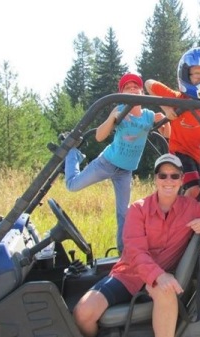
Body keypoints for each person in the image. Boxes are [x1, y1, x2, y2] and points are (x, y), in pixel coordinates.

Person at [73, 153, 200, 337]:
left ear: (181, 180)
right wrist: (158, 275)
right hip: (129, 275)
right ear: (155, 179)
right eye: (163, 175)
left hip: (163, 276)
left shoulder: (190, 207)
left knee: (166, 290)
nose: (168, 180)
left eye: (174, 176)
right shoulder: (138, 209)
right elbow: (135, 251)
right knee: (83, 313)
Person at [63, 73, 170, 253]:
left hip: (125, 172)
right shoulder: (120, 111)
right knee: (72, 186)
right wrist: (113, 117)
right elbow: (99, 136)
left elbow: (167, 134)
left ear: (142, 93)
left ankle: (123, 254)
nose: (133, 90)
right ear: (122, 94)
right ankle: (73, 154)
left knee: (124, 213)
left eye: (136, 87)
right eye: (128, 88)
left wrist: (164, 119)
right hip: (107, 162)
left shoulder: (148, 116)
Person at [145, 46, 200, 205]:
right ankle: (181, 225)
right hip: (179, 153)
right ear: (186, 75)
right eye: (197, 74)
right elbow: (148, 83)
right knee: (194, 190)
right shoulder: (177, 98)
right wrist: (166, 107)